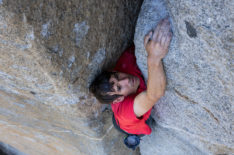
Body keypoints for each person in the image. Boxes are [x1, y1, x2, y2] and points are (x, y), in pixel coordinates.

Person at [90, 18, 172, 135]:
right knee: (135, 130)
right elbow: (155, 94)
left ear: (113, 71)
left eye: (117, 76)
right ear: (118, 99)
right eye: (119, 88)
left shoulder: (126, 60)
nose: (126, 80)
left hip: (122, 114)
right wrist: (154, 57)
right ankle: (132, 137)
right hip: (128, 124)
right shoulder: (126, 112)